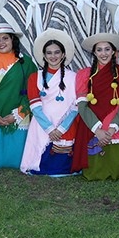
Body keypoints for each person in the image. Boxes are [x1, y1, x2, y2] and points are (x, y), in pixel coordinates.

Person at [73, 33, 119, 180]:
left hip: (117, 123)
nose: (103, 53)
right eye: (99, 50)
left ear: (114, 52)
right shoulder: (84, 75)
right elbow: (82, 107)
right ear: (94, 53)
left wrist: (111, 129)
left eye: (107, 49)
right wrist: (98, 130)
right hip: (92, 123)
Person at [20, 29, 79, 176]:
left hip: (65, 126)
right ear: (44, 56)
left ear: (63, 55)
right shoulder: (35, 77)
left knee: (61, 164)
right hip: (42, 125)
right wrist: (50, 129)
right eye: (49, 53)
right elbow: (35, 106)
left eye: (57, 52)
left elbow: (75, 107)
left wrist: (61, 129)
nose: (53, 56)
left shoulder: (74, 77)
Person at [0, 23, 36, 170]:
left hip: (18, 116)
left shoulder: (26, 62)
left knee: (16, 160)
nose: (1, 42)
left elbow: (33, 93)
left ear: (13, 40)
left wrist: (18, 114)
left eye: (5, 38)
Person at [49, 0, 113, 71]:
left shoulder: (98, 0)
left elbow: (108, 27)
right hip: (73, 54)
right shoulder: (63, 1)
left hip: (100, 54)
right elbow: (55, 30)